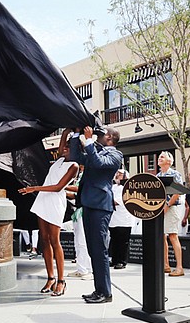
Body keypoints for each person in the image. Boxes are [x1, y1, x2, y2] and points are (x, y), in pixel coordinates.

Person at [19, 128, 78, 296]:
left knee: (54, 240)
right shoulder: (60, 160)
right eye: (65, 146)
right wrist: (66, 131)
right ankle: (50, 278)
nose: (64, 148)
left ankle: (61, 281)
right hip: (43, 200)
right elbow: (60, 147)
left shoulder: (73, 166)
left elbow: (59, 187)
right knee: (44, 240)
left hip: (54, 201)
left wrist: (34, 188)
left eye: (68, 146)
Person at [69, 126, 123, 304]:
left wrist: (90, 140)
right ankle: (99, 289)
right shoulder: (95, 152)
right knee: (93, 249)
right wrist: (76, 135)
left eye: (100, 134)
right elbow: (76, 157)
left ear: (109, 138)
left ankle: (105, 293)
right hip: (88, 203)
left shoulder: (116, 155)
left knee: (99, 250)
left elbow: (100, 163)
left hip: (101, 205)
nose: (96, 136)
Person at [157, 151, 185, 277]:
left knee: (173, 235)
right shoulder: (157, 175)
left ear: (170, 161)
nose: (159, 159)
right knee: (162, 236)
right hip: (160, 209)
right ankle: (166, 265)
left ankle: (179, 267)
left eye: (162, 157)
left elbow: (178, 191)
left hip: (172, 208)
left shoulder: (175, 174)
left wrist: (167, 205)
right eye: (159, 157)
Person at [66, 164, 94, 280]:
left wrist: (61, 186)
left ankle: (87, 270)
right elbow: (75, 195)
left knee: (82, 241)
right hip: (78, 211)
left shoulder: (87, 175)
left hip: (84, 210)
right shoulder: (80, 175)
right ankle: (81, 268)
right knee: (78, 241)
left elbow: (79, 189)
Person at [110, 169, 134, 269]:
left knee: (123, 242)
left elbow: (116, 201)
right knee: (114, 240)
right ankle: (114, 259)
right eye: (117, 174)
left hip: (124, 219)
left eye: (120, 174)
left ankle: (122, 261)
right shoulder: (113, 187)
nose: (117, 175)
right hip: (113, 219)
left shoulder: (128, 188)